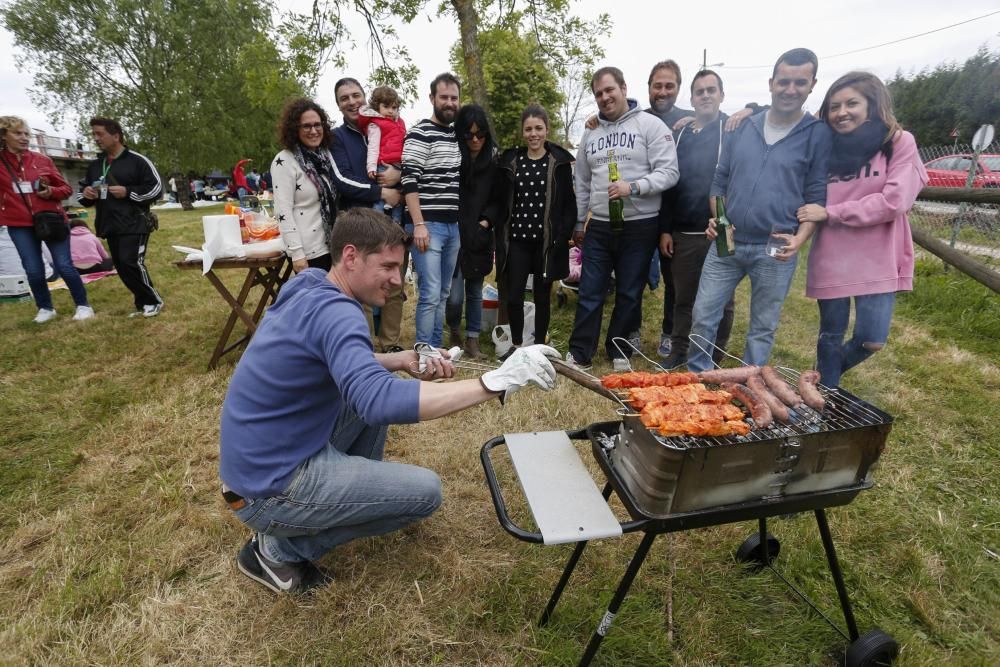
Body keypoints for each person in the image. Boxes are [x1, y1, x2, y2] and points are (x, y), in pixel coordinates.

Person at [219, 208, 559, 594]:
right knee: (425, 493)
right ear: (350, 257)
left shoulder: (311, 281)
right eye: (388, 267)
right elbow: (378, 400)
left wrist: (397, 360)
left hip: (250, 467)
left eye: (401, 268)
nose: (398, 281)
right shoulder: (341, 313)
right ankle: (278, 550)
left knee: (375, 381)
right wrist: (494, 382)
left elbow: (321, 357)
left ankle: (341, 494)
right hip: (266, 489)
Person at [687, 48, 832, 372]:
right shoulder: (743, 127)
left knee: (762, 327)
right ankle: (698, 380)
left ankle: (749, 387)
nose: (790, 89)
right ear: (771, 83)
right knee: (703, 315)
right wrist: (720, 219)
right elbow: (719, 182)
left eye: (799, 82)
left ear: (812, 84)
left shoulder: (817, 134)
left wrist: (800, 239)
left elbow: (816, 195)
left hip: (776, 244)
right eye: (783, 82)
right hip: (730, 239)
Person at [793, 71, 927, 387]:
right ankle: (824, 402)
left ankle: (821, 382)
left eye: (851, 103)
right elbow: (790, 128)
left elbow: (894, 201)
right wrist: (748, 110)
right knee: (830, 336)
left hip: (877, 255)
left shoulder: (897, 142)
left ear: (873, 103)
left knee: (871, 340)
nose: (841, 113)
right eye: (834, 106)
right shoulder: (823, 146)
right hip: (832, 255)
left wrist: (831, 212)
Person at [565, 66, 679, 371]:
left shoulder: (650, 126)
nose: (605, 97)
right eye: (599, 93)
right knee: (590, 289)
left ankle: (619, 348)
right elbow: (583, 180)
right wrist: (579, 222)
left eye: (609, 90)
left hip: (640, 225)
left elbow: (670, 172)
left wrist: (635, 187)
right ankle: (580, 353)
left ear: (624, 88)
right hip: (600, 224)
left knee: (629, 291)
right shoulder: (590, 131)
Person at [659, 70, 735, 368]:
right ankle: (679, 351)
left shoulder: (732, 128)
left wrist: (751, 108)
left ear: (721, 95)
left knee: (723, 300)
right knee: (683, 298)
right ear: (691, 98)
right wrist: (665, 229)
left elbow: (768, 113)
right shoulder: (680, 134)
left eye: (711, 90)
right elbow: (669, 183)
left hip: (722, 227)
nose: (705, 95)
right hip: (684, 231)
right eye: (699, 91)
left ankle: (716, 355)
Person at [330, 76, 406, 353]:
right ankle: (360, 346)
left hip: (391, 221)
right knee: (357, 287)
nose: (352, 101)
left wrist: (399, 174)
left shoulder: (389, 124)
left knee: (394, 282)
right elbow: (342, 179)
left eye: (355, 95)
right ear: (338, 105)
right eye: (344, 98)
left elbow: (406, 160)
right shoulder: (337, 137)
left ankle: (391, 343)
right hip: (358, 224)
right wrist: (380, 192)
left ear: (365, 98)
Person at [497, 104, 575, 359]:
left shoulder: (558, 163)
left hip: (545, 244)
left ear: (547, 130)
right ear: (522, 132)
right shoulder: (511, 161)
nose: (533, 134)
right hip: (517, 241)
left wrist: (562, 235)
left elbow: (567, 203)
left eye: (538, 128)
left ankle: (540, 345)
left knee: (543, 297)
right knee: (514, 295)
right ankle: (518, 345)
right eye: (528, 129)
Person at [0, 115, 94, 322]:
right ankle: (45, 308)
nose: (24, 138)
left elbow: (66, 189)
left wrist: (51, 191)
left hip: (51, 220)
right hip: (19, 225)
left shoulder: (42, 160)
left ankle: (83, 305)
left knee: (64, 265)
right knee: (33, 269)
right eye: (18, 133)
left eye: (26, 134)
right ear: (4, 136)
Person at [80, 116, 164, 317]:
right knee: (121, 266)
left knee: (131, 262)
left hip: (135, 221)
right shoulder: (95, 165)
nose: (96, 138)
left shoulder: (137, 161)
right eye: (94, 134)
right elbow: (82, 191)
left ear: (115, 135)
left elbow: (157, 189)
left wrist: (128, 192)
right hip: (109, 223)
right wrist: (86, 194)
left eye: (100, 134)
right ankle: (143, 303)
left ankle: (153, 300)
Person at [402, 72, 462, 348]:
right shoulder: (420, 132)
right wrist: (419, 224)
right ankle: (424, 351)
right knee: (429, 292)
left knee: (444, 291)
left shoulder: (457, 133)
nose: (449, 103)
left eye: (454, 98)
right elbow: (409, 179)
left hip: (453, 226)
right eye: (444, 97)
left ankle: (435, 350)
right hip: (428, 226)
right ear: (432, 98)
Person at [444, 104, 505, 360]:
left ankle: (472, 340)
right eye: (469, 135)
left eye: (480, 134)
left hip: (479, 235)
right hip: (455, 233)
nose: (476, 140)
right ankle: (454, 329)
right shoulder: (453, 158)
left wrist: (486, 222)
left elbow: (500, 198)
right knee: (455, 296)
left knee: (475, 291)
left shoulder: (493, 159)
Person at [271, 97, 339, 273]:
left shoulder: (325, 158)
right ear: (295, 129)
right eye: (306, 126)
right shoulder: (285, 160)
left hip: (332, 246)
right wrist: (297, 254)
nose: (314, 131)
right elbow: (282, 210)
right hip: (308, 252)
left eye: (318, 125)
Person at [357, 85, 406, 223]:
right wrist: (371, 167)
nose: (391, 111)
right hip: (384, 164)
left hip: (399, 166)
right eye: (386, 106)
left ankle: (396, 225)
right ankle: (377, 222)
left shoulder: (399, 122)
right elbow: (373, 147)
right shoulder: (376, 124)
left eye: (394, 107)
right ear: (377, 106)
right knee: (382, 197)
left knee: (398, 198)